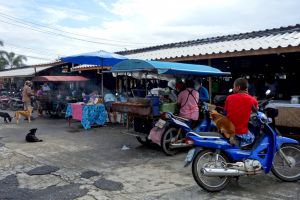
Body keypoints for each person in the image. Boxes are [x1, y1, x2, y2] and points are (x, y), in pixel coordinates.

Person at [224, 78, 258, 147]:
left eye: (233, 87)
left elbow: (225, 111)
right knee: (253, 138)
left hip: (229, 129)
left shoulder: (229, 97)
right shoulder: (251, 99)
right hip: (241, 132)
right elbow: (256, 109)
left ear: (238, 87)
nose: (233, 88)